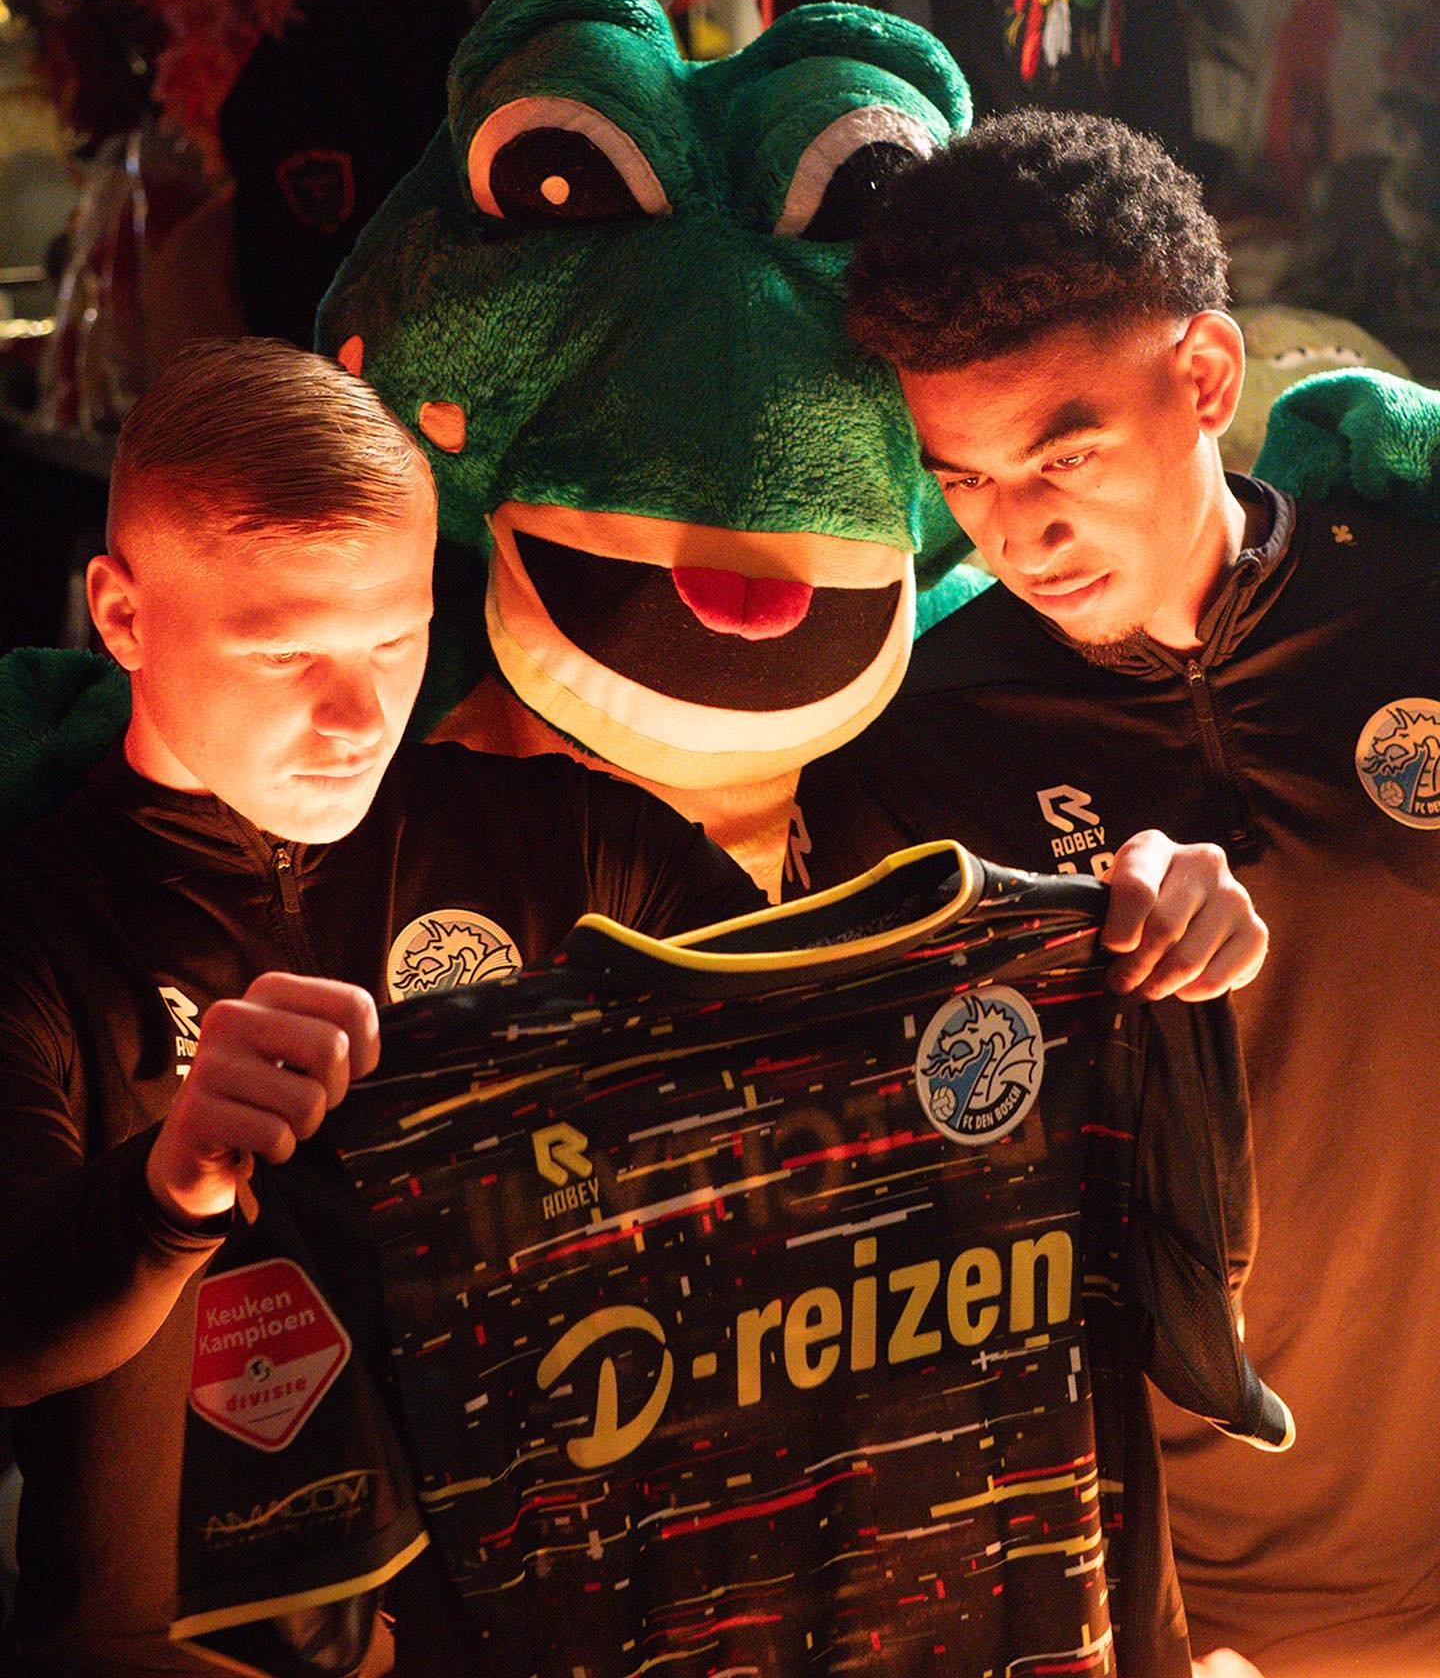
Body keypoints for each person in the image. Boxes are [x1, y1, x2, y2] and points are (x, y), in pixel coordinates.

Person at [0, 335, 1266, 1676]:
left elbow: (847, 1048)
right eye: (281, 654)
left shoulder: (558, 840)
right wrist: (170, 1189)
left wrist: (1108, 927)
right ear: (120, 616)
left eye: (392, 641)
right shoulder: (35, 922)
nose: (355, 715)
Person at [787, 109, 1440, 1677]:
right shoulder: (915, 742)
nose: (1023, 533)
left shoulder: (1417, 601)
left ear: (1205, 376)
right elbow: (895, 1206)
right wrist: (1078, 975)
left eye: (1064, 458)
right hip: (1173, 1611)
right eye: (966, 482)